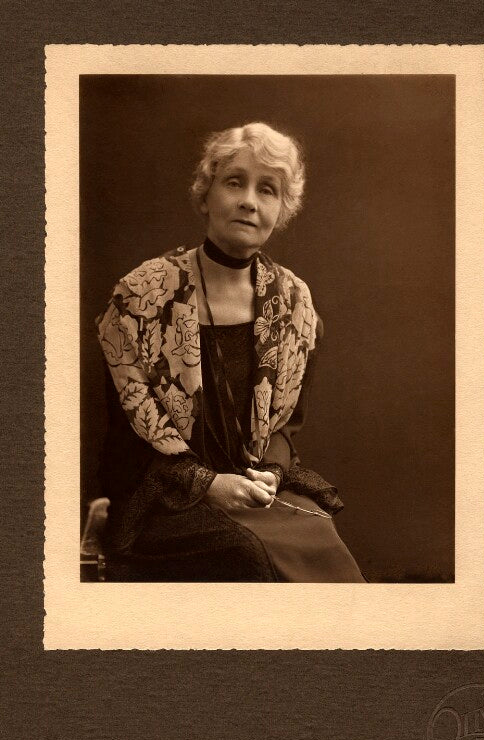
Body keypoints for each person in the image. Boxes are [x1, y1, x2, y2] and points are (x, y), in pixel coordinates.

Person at [96, 122, 366, 582]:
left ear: (281, 210)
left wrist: (272, 473)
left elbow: (285, 427)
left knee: (324, 542)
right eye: (234, 182)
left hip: (251, 488)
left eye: (267, 189)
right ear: (206, 195)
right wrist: (208, 485)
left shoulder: (294, 306)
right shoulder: (140, 298)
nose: (249, 201)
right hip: (160, 495)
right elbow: (124, 446)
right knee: (245, 555)